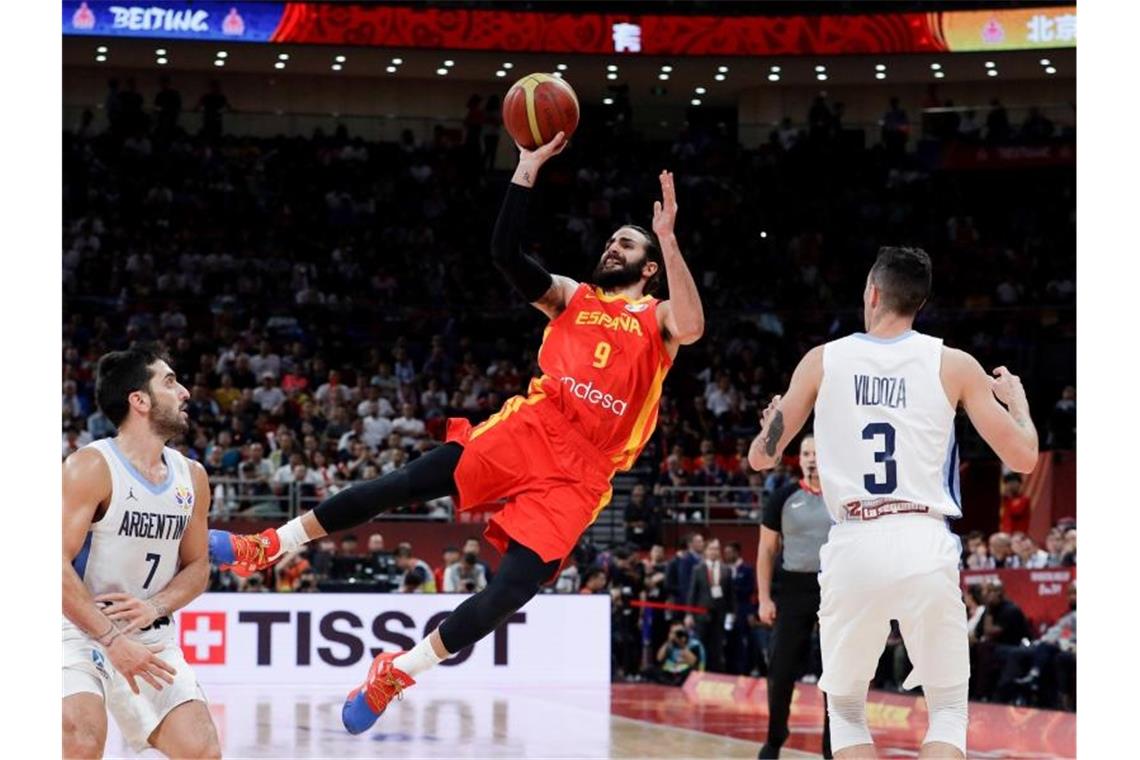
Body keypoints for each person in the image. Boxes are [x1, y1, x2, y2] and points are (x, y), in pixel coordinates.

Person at [209, 131, 705, 734]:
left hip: (586, 469)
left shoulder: (657, 318)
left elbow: (696, 324)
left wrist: (672, 240)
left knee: (512, 591)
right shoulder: (573, 297)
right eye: (610, 240)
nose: (611, 247)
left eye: (625, 243)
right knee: (404, 483)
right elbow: (504, 253)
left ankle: (399, 670)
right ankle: (268, 544)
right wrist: (525, 169)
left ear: (648, 267)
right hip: (534, 425)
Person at [747, 246, 1038, 758]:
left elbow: (760, 459)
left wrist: (769, 424)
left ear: (872, 293)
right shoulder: (953, 363)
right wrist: (1019, 406)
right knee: (948, 710)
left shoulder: (823, 360)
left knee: (848, 711)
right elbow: (1026, 458)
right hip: (923, 537)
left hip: (855, 539)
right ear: (918, 303)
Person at [63, 346, 220, 758]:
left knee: (202, 751)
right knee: (80, 742)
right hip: (74, 629)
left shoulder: (193, 477)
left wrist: (154, 607)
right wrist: (111, 638)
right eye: (170, 381)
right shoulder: (91, 466)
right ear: (139, 400)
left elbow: (198, 566)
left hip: (150, 635)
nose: (184, 391)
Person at [755, 433, 833, 759]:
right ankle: (775, 737)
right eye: (806, 453)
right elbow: (766, 550)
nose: (811, 458)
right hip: (792, 590)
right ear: (799, 459)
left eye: (816, 452)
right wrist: (764, 598)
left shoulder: (843, 497)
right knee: (781, 669)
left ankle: (832, 747)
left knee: (836, 673)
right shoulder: (783, 497)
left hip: (833, 589)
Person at [687, 538, 735, 673]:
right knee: (700, 644)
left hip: (720, 614)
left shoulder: (726, 570)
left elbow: (731, 595)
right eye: (711, 549)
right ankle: (697, 673)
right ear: (706, 551)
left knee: (717, 646)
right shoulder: (698, 569)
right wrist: (689, 614)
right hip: (701, 614)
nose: (714, 551)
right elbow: (693, 592)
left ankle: (716, 674)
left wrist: (731, 614)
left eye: (717, 549)